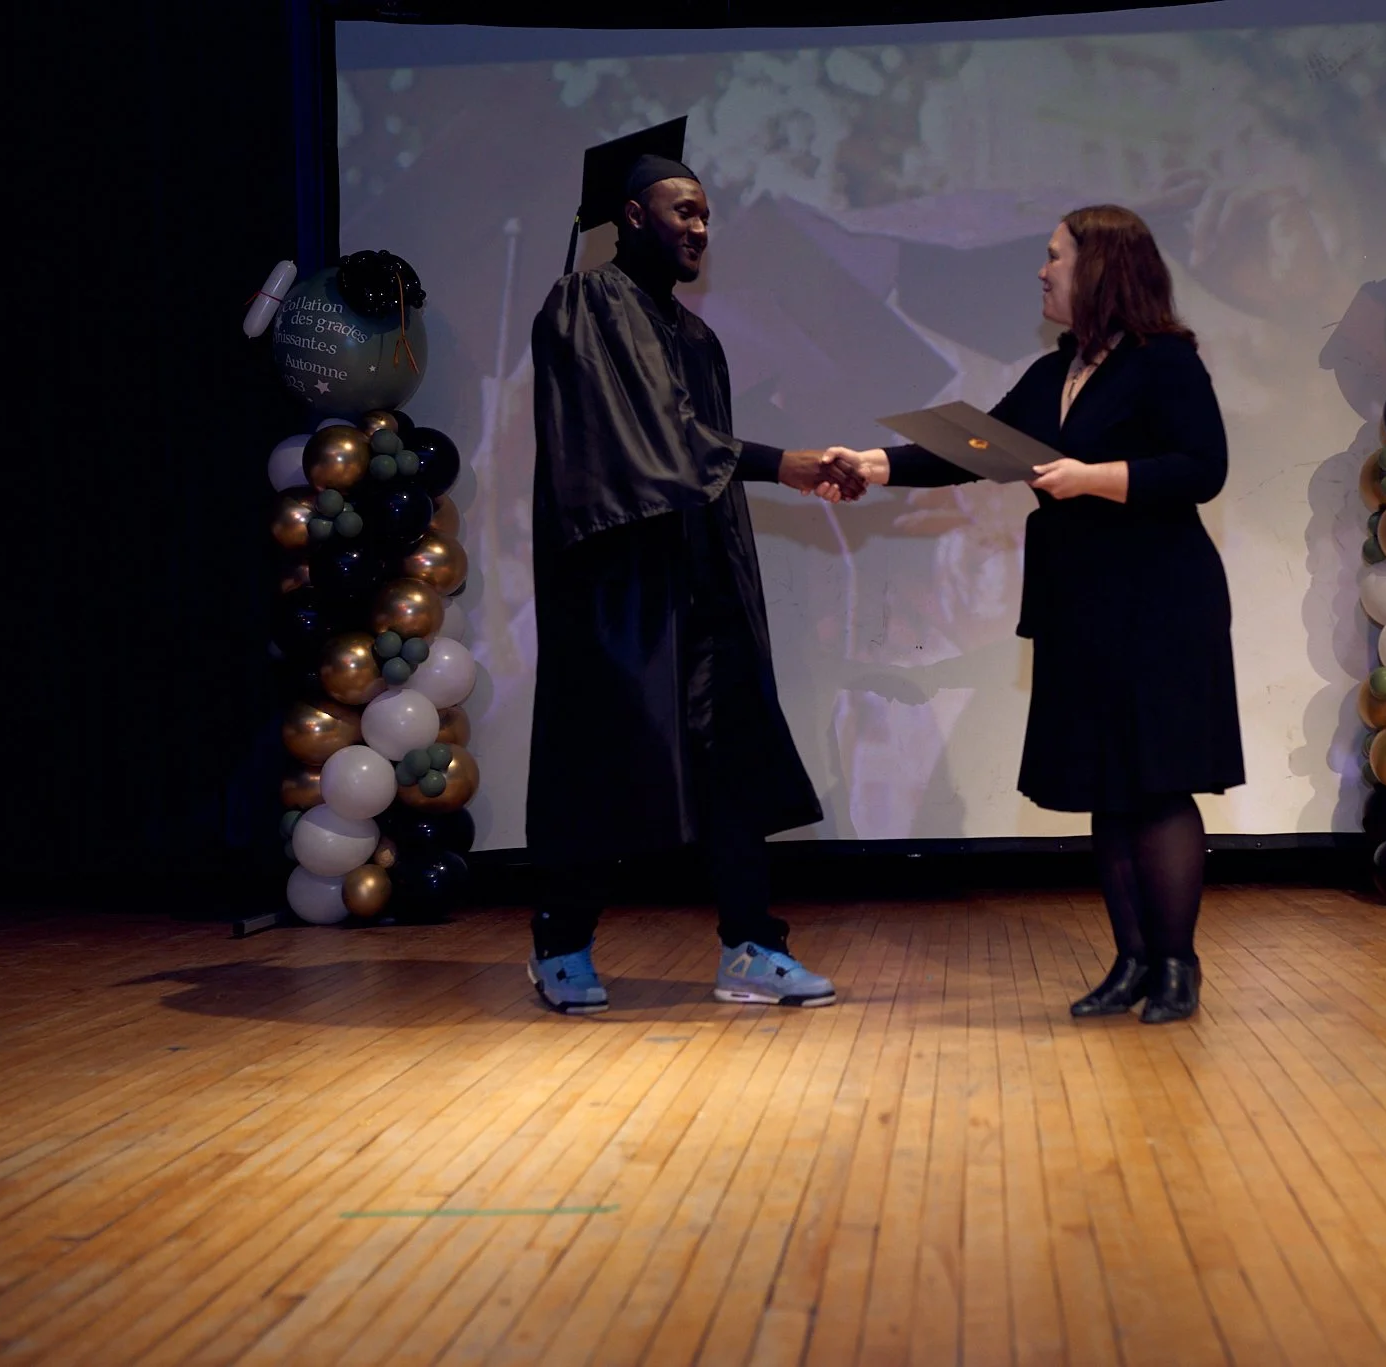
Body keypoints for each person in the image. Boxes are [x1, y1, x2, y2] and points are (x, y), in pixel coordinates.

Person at [827, 205, 1244, 1024]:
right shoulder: (1059, 369)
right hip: (1079, 604)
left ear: (1101, 268)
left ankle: (1177, 970)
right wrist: (872, 463)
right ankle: (1129, 963)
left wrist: (1091, 477)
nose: (1042, 272)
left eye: (1054, 257)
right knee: (1106, 786)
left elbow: (1203, 468)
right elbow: (975, 445)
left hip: (1159, 602)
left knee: (1157, 786)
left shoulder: (1165, 363)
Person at [525, 121, 862, 1014]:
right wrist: (781, 460)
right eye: (684, 210)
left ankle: (750, 944)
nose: (701, 227)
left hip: (698, 578)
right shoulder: (585, 304)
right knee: (608, 760)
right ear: (632, 215)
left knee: (730, 762)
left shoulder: (697, 338)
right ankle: (560, 944)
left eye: (708, 213)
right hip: (620, 586)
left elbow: (694, 454)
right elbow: (651, 445)